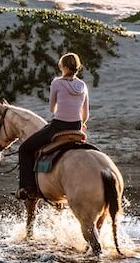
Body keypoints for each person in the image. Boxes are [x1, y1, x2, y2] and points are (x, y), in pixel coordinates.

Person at [16, 52, 89, 200]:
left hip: (58, 126)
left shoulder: (56, 83)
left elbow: (52, 108)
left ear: (65, 67)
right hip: (76, 127)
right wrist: (80, 123)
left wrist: (62, 111)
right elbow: (85, 114)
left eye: (61, 65)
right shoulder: (82, 85)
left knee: (24, 149)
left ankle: (28, 188)